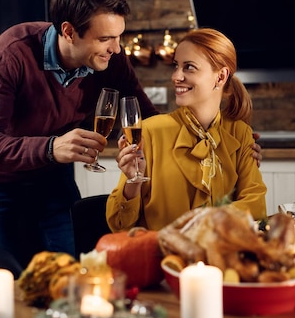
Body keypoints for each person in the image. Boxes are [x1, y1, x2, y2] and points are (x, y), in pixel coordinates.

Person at [0, 0, 261, 266]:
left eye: (119, 37)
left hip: (51, 175)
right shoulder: (13, 53)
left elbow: (148, 118)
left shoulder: (111, 58)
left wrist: (226, 144)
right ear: (68, 32)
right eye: (105, 38)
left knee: (72, 271)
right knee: (7, 279)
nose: (117, 49)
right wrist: (52, 147)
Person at [106, 28, 267, 232]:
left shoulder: (240, 133)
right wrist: (132, 182)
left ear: (220, 77)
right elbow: (119, 226)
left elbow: (256, 207)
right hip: (162, 258)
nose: (176, 76)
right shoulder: (149, 132)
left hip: (220, 258)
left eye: (189, 67)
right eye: (176, 66)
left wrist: (207, 221)